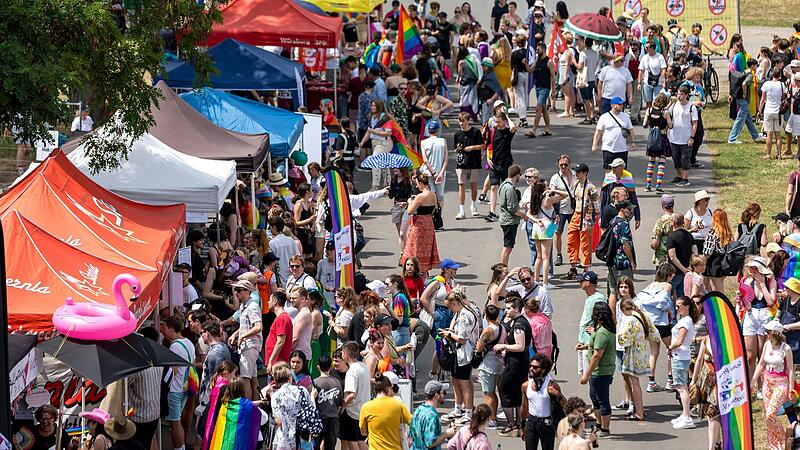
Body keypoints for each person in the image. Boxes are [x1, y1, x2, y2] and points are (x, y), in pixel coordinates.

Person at [751, 320, 794, 449]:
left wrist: (791, 389)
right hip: (767, 382)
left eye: (768, 331)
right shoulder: (766, 344)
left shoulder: (786, 348)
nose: (765, 334)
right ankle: (774, 445)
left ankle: (783, 438)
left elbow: (790, 370)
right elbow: (761, 364)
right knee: (768, 417)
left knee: (770, 414)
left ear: (775, 333)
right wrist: (753, 381)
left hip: (780, 383)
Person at [495, 297, 533, 437]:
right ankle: (518, 423)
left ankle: (512, 424)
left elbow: (520, 346)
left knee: (504, 387)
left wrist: (503, 346)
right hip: (518, 361)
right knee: (517, 391)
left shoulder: (519, 325)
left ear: (516, 309)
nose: (506, 311)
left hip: (516, 363)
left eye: (508, 308)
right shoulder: (518, 322)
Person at [442, 291, 480, 424]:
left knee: (464, 383)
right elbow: (454, 324)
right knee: (455, 380)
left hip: (465, 354)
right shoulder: (459, 312)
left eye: (449, 306)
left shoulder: (465, 315)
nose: (449, 309)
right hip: (458, 354)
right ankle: (457, 409)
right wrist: (451, 329)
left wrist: (448, 334)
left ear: (454, 303)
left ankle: (468, 412)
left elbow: (462, 339)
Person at [742, 256, 779, 391]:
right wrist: (741, 299)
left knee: (762, 354)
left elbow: (770, 302)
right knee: (750, 356)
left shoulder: (771, 282)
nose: (752, 270)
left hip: (765, 315)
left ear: (760, 269)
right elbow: (747, 305)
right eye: (751, 268)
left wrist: (762, 285)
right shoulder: (747, 281)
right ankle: (750, 385)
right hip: (751, 315)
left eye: (754, 268)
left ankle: (761, 386)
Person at [578, 302, 615, 437]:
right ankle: (599, 425)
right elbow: (597, 347)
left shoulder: (602, 333)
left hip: (601, 372)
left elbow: (597, 355)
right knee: (595, 398)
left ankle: (605, 429)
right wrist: (586, 346)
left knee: (602, 400)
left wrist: (586, 374)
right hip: (598, 372)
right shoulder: (601, 331)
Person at [160, 316, 194, 450]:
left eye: (164, 328)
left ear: (171, 329)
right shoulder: (188, 343)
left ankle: (179, 448)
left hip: (175, 389)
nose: (162, 331)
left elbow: (172, 371)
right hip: (185, 387)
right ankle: (182, 446)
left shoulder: (175, 347)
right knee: (177, 421)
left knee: (174, 422)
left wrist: (162, 385)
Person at [617, 298, 653, 421]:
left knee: (635, 384)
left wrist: (619, 337)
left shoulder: (631, 320)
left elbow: (624, 339)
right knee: (636, 383)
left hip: (633, 354)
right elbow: (653, 333)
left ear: (624, 309)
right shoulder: (643, 316)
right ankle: (640, 410)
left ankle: (639, 413)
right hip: (642, 351)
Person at [519, 354, 564, 450]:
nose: (531, 369)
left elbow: (565, 405)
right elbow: (524, 406)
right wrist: (521, 425)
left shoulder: (552, 385)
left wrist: (557, 394)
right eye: (530, 366)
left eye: (535, 367)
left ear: (543, 370)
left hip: (547, 424)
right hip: (531, 422)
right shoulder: (525, 386)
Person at [563, 163, 599, 280]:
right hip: (576, 215)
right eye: (576, 172)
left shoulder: (591, 187)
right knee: (571, 240)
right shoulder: (576, 184)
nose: (576, 174)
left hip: (586, 217)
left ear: (585, 173)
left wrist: (595, 218)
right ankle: (573, 268)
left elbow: (596, 204)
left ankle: (585, 270)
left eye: (578, 172)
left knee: (585, 244)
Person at [668, 296, 699, 430]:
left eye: (679, 306)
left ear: (687, 306)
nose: (676, 308)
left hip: (680, 356)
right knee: (681, 386)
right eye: (676, 306)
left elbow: (680, 341)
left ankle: (687, 417)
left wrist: (670, 347)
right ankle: (684, 414)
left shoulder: (685, 321)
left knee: (682, 387)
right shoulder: (685, 320)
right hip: (681, 356)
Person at [359, 373, 413, 450]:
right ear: (389, 388)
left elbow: (363, 432)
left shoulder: (366, 407)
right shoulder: (397, 404)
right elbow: (413, 422)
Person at [401, 173, 441, 273]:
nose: (416, 186)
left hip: (419, 224)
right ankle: (425, 272)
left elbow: (409, 211)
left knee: (415, 248)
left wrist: (409, 203)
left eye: (417, 184)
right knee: (427, 248)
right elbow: (434, 209)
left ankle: (416, 271)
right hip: (429, 222)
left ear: (421, 183)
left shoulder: (420, 196)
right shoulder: (433, 195)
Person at [484, 109, 517, 223]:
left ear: (504, 121)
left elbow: (514, 127)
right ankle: (492, 212)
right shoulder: (493, 131)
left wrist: (507, 116)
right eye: (495, 121)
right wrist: (488, 158)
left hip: (506, 164)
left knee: (506, 188)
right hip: (494, 163)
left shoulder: (508, 132)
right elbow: (489, 145)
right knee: (494, 187)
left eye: (499, 122)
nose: (496, 124)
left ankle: (507, 210)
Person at [499, 164, 536, 265]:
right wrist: (524, 216)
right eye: (520, 174)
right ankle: (503, 270)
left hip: (505, 219)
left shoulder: (503, 185)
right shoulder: (510, 188)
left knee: (508, 247)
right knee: (508, 247)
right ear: (516, 175)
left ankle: (502, 269)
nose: (521, 177)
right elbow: (512, 208)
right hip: (509, 221)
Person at [453, 112, 485, 219]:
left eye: (463, 121)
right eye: (460, 121)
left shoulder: (475, 132)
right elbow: (455, 149)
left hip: (474, 162)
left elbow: (483, 145)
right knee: (461, 185)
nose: (461, 123)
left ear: (468, 121)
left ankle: (473, 205)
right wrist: (457, 149)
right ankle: (461, 210)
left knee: (473, 185)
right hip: (461, 163)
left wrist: (472, 147)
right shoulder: (457, 134)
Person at [340, 342, 370, 449]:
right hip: (364, 409)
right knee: (361, 440)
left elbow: (351, 394)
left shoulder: (351, 371)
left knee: (352, 441)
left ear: (345, 354)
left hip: (353, 412)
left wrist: (342, 408)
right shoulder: (363, 366)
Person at [410, 380, 457, 450]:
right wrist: (446, 434)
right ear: (436, 396)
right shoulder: (432, 416)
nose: (444, 395)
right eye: (443, 393)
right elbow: (430, 443)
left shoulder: (418, 410)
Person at [728, 58, 765, 144]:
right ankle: (732, 138)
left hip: (739, 97)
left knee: (748, 119)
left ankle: (755, 136)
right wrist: (744, 94)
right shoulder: (750, 74)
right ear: (752, 66)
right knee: (740, 119)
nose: (757, 67)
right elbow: (744, 84)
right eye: (756, 65)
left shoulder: (744, 71)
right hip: (744, 99)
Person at [592, 97, 635, 169]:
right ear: (612, 105)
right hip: (608, 149)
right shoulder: (604, 117)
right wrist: (594, 144)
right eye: (619, 104)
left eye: (622, 104)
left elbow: (630, 130)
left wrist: (632, 141)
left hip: (622, 149)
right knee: (609, 171)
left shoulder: (625, 116)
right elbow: (598, 131)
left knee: (622, 171)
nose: (621, 106)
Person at [668, 85, 699, 186]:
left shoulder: (691, 107)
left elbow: (695, 123)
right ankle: (679, 176)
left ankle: (685, 178)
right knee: (676, 159)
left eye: (681, 94)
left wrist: (692, 137)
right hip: (674, 137)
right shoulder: (674, 105)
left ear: (686, 95)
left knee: (685, 159)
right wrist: (670, 103)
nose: (679, 96)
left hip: (686, 138)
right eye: (678, 94)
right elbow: (666, 113)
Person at [605, 200, 636, 296]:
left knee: (613, 291)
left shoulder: (613, 221)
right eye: (629, 209)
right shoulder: (623, 224)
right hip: (622, 262)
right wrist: (632, 261)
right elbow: (625, 245)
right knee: (625, 290)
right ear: (622, 210)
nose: (631, 211)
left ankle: (612, 306)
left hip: (612, 260)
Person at [549, 155, 575, 267]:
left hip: (574, 209)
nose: (563, 167)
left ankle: (575, 256)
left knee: (575, 233)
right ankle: (559, 255)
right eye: (561, 165)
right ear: (558, 165)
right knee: (557, 232)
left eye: (565, 164)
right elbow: (551, 192)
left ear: (569, 164)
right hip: (560, 209)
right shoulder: (555, 178)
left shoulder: (575, 174)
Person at [643, 94, 672, 192]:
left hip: (652, 139)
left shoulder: (649, 110)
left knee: (651, 162)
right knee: (661, 162)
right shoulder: (665, 113)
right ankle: (658, 186)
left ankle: (648, 185)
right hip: (662, 138)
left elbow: (644, 125)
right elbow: (670, 126)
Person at [525, 42, 555, 138]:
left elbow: (553, 77)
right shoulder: (537, 60)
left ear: (543, 49)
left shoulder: (549, 62)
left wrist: (553, 91)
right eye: (536, 49)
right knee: (543, 108)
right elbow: (530, 70)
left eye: (538, 49)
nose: (537, 51)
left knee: (538, 108)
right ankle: (548, 128)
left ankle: (534, 130)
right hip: (538, 87)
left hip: (545, 88)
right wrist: (526, 64)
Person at [667, 213, 697, 299]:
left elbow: (672, 256)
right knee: (682, 296)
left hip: (674, 272)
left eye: (670, 220)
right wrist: (690, 266)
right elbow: (694, 252)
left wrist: (683, 269)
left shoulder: (671, 236)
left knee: (669, 295)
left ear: (673, 222)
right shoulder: (689, 235)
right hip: (687, 271)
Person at [760, 68, 788, 159]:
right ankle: (779, 154)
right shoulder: (782, 84)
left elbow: (763, 99)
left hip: (768, 110)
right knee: (778, 135)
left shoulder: (766, 84)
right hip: (778, 112)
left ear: (772, 75)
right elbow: (783, 98)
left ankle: (768, 154)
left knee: (769, 134)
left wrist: (759, 111)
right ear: (779, 75)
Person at [702, 209, 733, 292]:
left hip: (712, 262)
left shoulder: (712, 232)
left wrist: (702, 261)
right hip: (724, 262)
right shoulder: (728, 232)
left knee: (705, 288)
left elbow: (708, 251)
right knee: (718, 289)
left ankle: (710, 300)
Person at [421, 120, 449, 209]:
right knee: (440, 196)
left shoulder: (423, 142)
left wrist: (433, 173)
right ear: (437, 130)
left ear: (428, 131)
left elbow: (425, 160)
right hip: (440, 173)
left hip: (428, 173)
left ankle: (432, 214)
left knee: (431, 195)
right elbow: (446, 159)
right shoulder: (443, 141)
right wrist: (440, 173)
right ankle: (439, 214)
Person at [265, 290, 293, 373]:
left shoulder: (282, 318)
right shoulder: (281, 318)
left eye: (270, 300)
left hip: (277, 364)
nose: (268, 302)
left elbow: (280, 341)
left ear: (275, 302)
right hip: (276, 362)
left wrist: (271, 361)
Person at [268, 216, 301, 285]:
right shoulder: (290, 240)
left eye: (270, 227)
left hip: (280, 275)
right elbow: (298, 256)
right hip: (292, 273)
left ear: (274, 227)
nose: (270, 230)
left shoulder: (272, 243)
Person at [576, 36, 599, 125]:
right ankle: (592, 115)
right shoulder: (595, 54)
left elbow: (580, 66)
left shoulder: (583, 53)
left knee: (585, 99)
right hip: (592, 78)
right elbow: (596, 65)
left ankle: (588, 117)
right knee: (590, 97)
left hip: (585, 78)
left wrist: (573, 61)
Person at [639, 43, 667, 111]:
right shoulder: (645, 57)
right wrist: (639, 83)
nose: (646, 49)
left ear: (652, 48)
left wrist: (664, 81)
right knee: (648, 102)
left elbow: (663, 70)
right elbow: (641, 70)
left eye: (647, 47)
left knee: (656, 102)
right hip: (647, 82)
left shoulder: (660, 57)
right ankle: (648, 115)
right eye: (646, 47)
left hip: (658, 82)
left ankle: (655, 115)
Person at [651, 194, 675, 266]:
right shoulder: (678, 219)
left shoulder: (661, 222)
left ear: (662, 206)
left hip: (663, 260)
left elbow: (654, 244)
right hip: (677, 259)